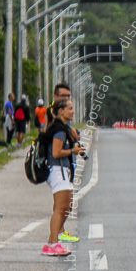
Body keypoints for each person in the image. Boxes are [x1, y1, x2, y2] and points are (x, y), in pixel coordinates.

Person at [42, 98, 84, 257]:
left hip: (62, 170)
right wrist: (72, 152)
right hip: (57, 170)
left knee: (66, 207)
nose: (73, 111)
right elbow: (56, 153)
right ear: (61, 111)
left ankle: (53, 241)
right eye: (70, 109)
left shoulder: (63, 127)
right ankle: (51, 244)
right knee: (61, 208)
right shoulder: (59, 129)